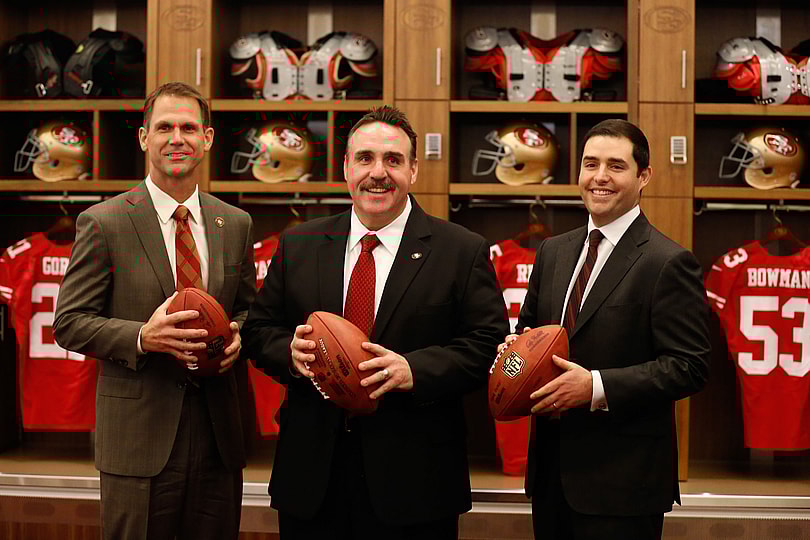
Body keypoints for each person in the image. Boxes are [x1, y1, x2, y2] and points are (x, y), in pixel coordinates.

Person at [241, 105, 509, 539]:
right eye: (365, 158)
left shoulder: (461, 249)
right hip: (312, 480)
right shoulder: (299, 244)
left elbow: (487, 346)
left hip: (416, 484)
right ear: (346, 167)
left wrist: (413, 370)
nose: (378, 173)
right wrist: (289, 354)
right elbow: (258, 331)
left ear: (414, 169)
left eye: (393, 160)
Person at [53, 81, 256, 540]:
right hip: (138, 442)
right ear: (145, 138)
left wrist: (239, 334)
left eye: (188, 127)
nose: (176, 138)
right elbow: (69, 323)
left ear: (207, 138)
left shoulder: (236, 223)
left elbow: (247, 310)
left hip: (219, 437)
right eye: (164, 127)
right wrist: (145, 337)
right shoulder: (104, 221)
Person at [510, 119, 711, 540]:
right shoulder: (553, 251)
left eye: (616, 166)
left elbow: (689, 366)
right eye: (590, 164)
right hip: (550, 476)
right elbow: (530, 332)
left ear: (644, 177)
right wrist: (515, 350)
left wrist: (596, 387)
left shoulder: (667, 261)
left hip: (624, 485)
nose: (599, 177)